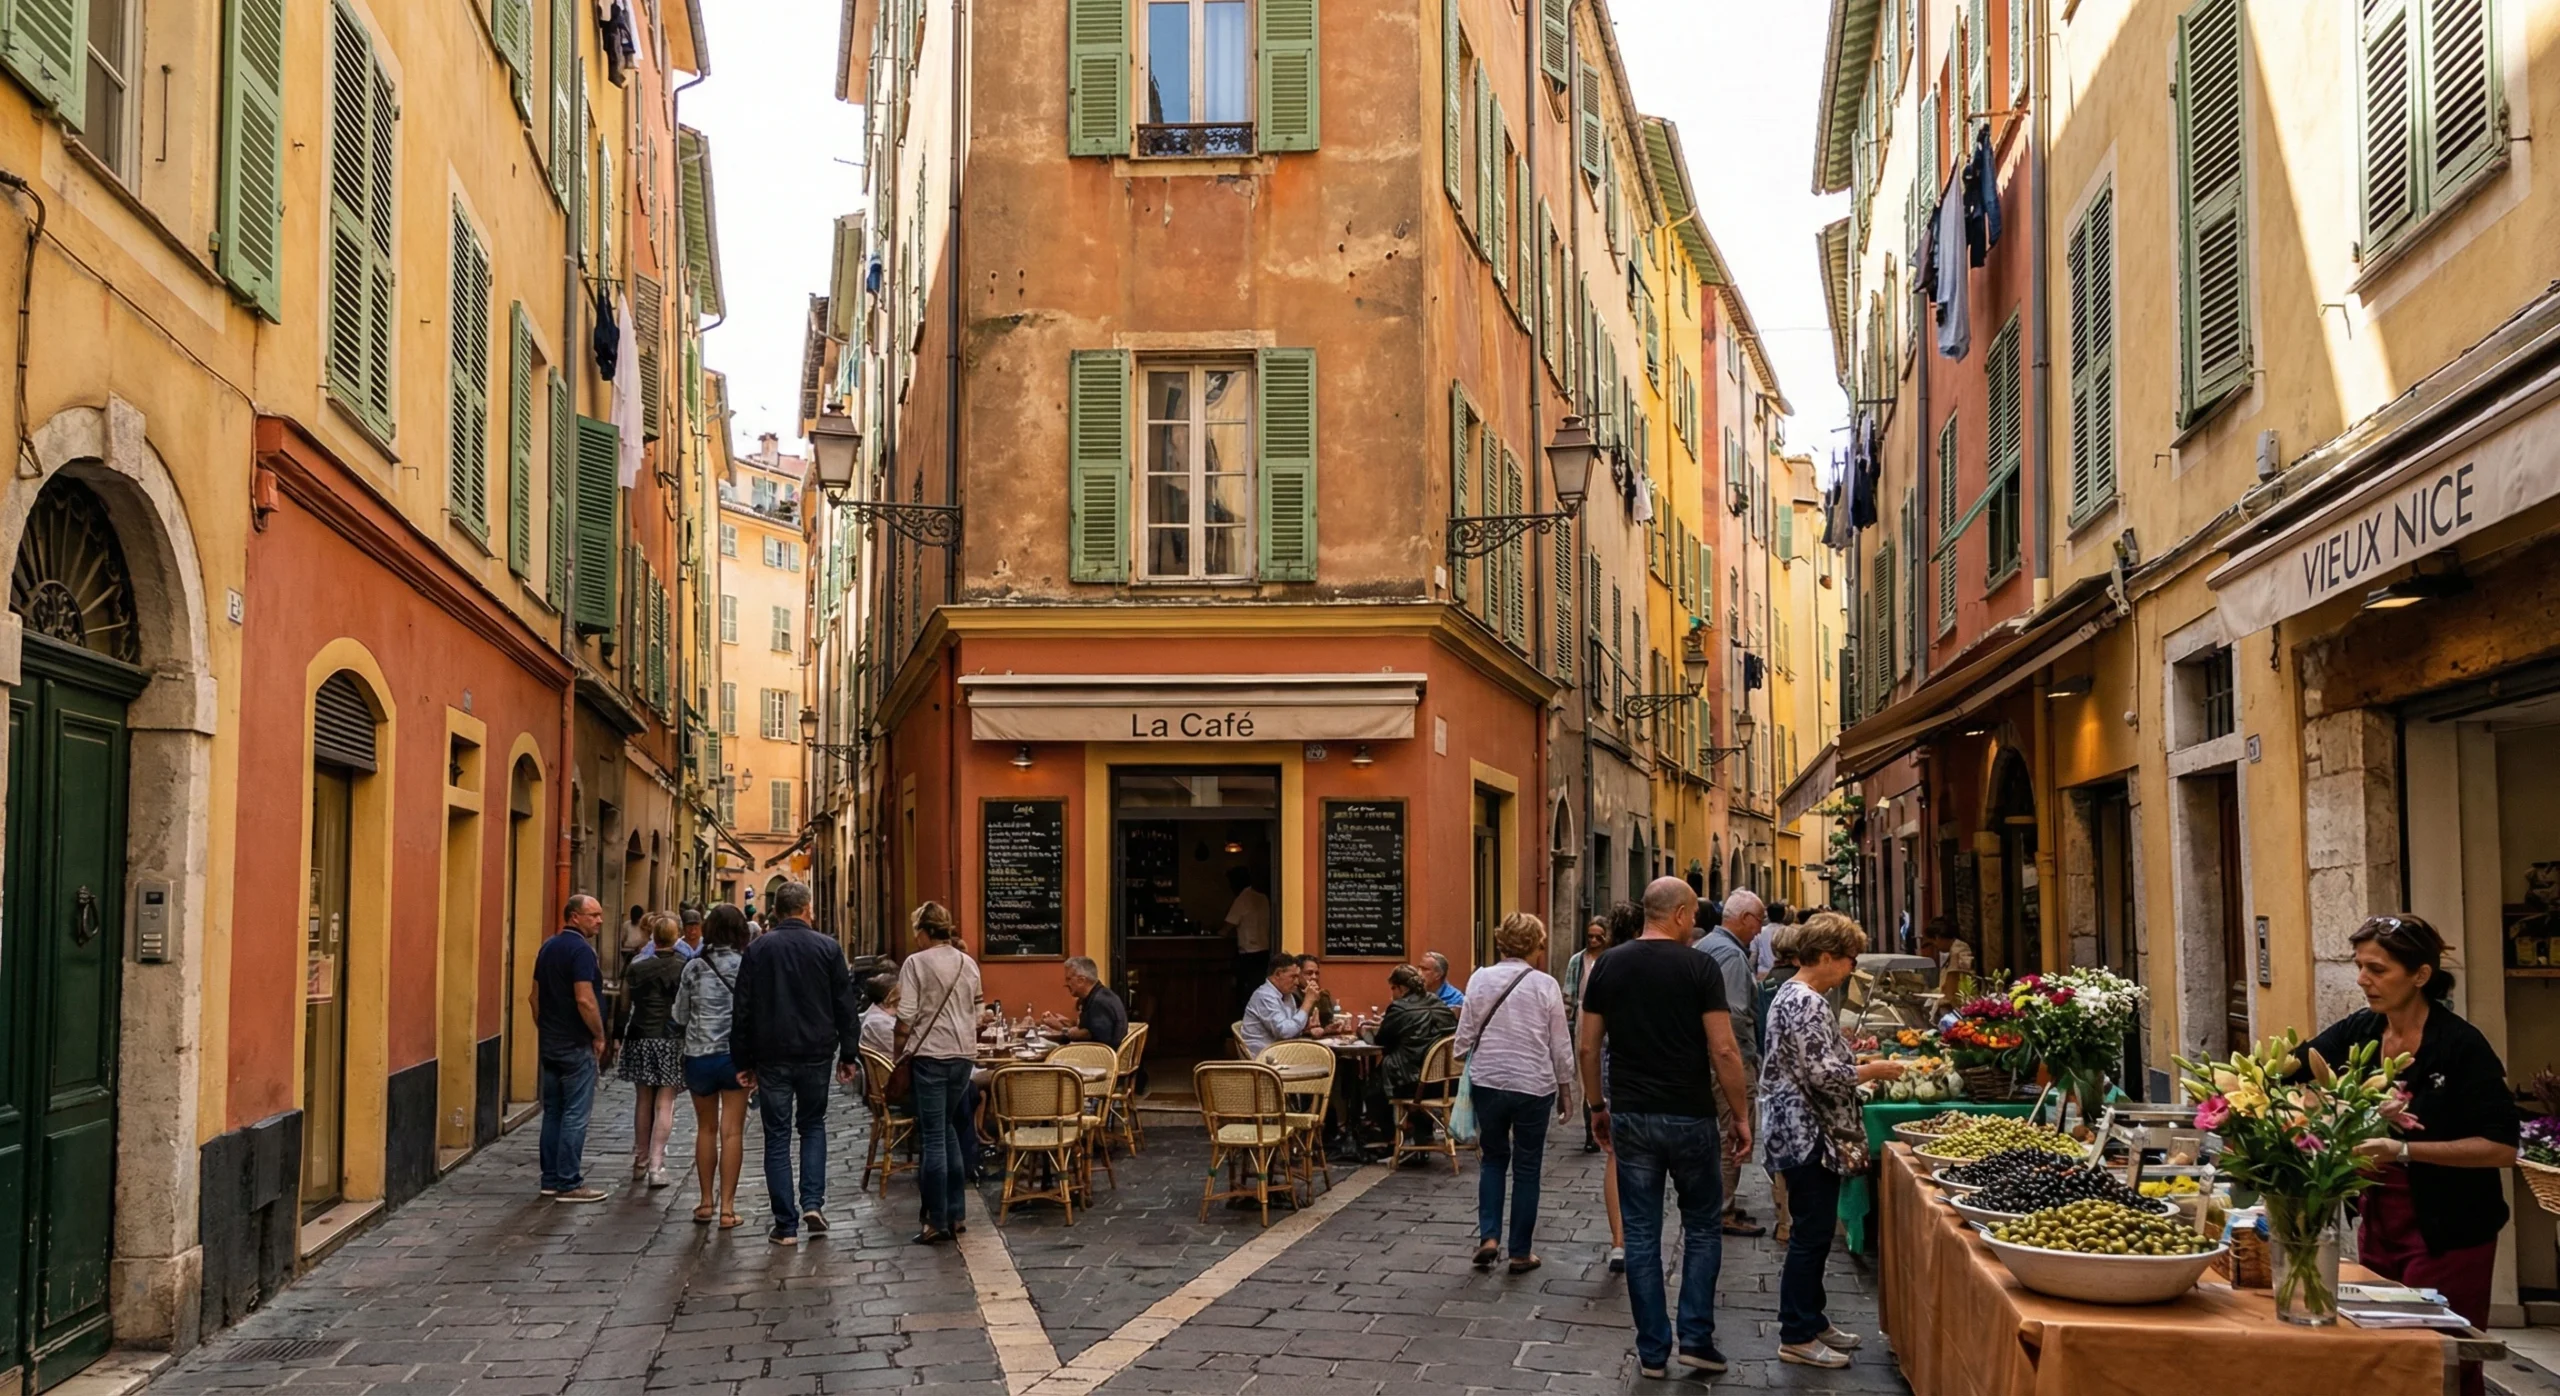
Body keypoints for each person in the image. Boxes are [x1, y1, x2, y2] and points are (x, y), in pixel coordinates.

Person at [2299, 914, 2518, 1336]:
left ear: (2421, 975)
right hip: (2380, 1222)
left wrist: (2402, 1150)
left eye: (2377, 970)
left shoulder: (2460, 1046)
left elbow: (2502, 1148)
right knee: (2383, 1352)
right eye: (2359, 966)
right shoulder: (2361, 1030)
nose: (2363, 980)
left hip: (2448, 1229)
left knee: (2439, 1356)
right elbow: (2294, 1067)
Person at [1577, 877, 1755, 1380]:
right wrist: (1740, 1115)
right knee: (1701, 1227)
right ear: (1678, 914)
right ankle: (1696, 1340)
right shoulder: (1699, 965)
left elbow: (1589, 1047)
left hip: (1632, 1113)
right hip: (1691, 1113)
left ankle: (1653, 1351)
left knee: (1640, 1233)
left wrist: (1597, 1106)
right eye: (1692, 914)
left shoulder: (1609, 963)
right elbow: (1723, 1049)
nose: (1694, 923)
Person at [1761, 912, 1909, 1369]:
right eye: (1848, 959)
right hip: (1807, 1133)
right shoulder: (1806, 1001)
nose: (1851, 967)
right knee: (1811, 1233)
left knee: (1817, 1231)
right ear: (1825, 956)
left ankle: (1813, 1317)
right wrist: (1872, 1070)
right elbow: (1821, 1074)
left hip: (1798, 1129)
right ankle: (1797, 1333)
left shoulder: (1794, 994)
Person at [730, 882, 861, 1246]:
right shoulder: (828, 948)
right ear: (806, 909)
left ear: (776, 911)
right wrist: (848, 1054)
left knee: (776, 1136)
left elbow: (742, 1009)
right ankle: (813, 1203)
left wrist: (741, 1059)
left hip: (771, 1054)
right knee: (813, 1125)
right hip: (816, 1052)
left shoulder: (757, 950)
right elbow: (845, 1006)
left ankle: (785, 1225)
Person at [1454, 913, 1575, 1275]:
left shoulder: (1479, 979)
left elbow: (1463, 1039)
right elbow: (1559, 1043)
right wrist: (1567, 1090)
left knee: (1492, 1159)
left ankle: (1489, 1237)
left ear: (1502, 941)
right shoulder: (1545, 985)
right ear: (1535, 946)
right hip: (1533, 1084)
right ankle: (1520, 1252)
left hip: (1489, 1079)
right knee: (1527, 1167)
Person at [897, 900, 982, 1245]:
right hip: (964, 1056)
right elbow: (979, 1010)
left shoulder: (916, 963)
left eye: (916, 929)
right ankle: (957, 1212)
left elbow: (905, 1015)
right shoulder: (968, 962)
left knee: (933, 1136)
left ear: (925, 931)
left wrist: (899, 1052)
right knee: (947, 1129)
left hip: (931, 1055)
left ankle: (935, 1220)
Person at [674, 904, 751, 1227]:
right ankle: (728, 1210)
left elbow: (679, 1016)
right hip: (735, 1058)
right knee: (731, 1132)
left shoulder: (694, 967)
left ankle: (706, 1202)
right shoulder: (747, 965)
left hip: (699, 1056)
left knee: (705, 1129)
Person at [1698, 889, 1768, 1237]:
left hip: (1709, 1058)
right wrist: (1741, 1064)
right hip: (1729, 1060)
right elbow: (1734, 1016)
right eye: (1759, 921)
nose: (1760, 930)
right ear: (1744, 919)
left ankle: (1718, 1201)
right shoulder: (1730, 955)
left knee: (1720, 1135)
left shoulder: (1709, 945)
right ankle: (1722, 1210)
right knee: (1733, 1134)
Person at [531, 894, 610, 1203]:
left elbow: (533, 998)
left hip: (551, 1043)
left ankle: (549, 1179)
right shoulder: (581, 951)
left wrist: (546, 1028)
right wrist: (599, 1034)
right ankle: (569, 1182)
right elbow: (584, 998)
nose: (599, 920)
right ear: (574, 917)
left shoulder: (548, 947)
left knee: (553, 1113)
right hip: (575, 1044)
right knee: (575, 1114)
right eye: (593, 915)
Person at [616, 912, 688, 1188]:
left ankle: (641, 1160)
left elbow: (624, 1005)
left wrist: (616, 1035)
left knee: (643, 1099)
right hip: (671, 1038)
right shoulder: (684, 966)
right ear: (676, 936)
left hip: (640, 1034)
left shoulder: (636, 965)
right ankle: (657, 1166)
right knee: (665, 1103)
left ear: (652, 937)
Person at [1373, 964, 1459, 1147]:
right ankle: (1422, 1134)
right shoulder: (1439, 1003)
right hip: (1445, 1084)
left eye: (1393, 988)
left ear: (1401, 988)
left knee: (1373, 1091)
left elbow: (1381, 1040)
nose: (1392, 993)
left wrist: (1362, 1030)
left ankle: (1394, 1140)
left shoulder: (1399, 1008)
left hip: (1410, 1083)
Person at [1563, 919, 1610, 1153]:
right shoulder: (1577, 961)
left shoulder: (1612, 959)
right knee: (1585, 1073)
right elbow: (1569, 995)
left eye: (1597, 936)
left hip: (1610, 1016)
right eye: (1589, 935)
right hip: (1584, 1017)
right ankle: (1590, 1134)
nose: (1592, 940)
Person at [1240, 951, 1317, 1057]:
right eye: (1293, 977)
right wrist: (1307, 1003)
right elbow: (1285, 1033)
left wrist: (1305, 1028)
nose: (1297, 982)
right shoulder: (1264, 996)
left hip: (1282, 1052)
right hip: (1264, 1059)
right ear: (1277, 974)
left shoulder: (1287, 994)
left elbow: (1291, 1028)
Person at [1040, 957, 1128, 1048]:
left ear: (1081, 980)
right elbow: (1091, 1029)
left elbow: (1094, 1037)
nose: (1066, 984)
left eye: (1069, 979)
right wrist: (1070, 1024)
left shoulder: (1099, 1002)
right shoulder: (1100, 995)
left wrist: (1061, 1028)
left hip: (1098, 1058)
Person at [1223, 867, 1273, 1010]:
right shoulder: (1263, 897)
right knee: (1258, 993)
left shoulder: (1243, 898)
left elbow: (1226, 928)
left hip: (1249, 955)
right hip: (1265, 952)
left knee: (1246, 996)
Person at [1293, 954, 1358, 1039]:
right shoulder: (1291, 995)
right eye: (1309, 973)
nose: (1314, 977)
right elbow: (1291, 1028)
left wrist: (1329, 1029)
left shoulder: (1324, 996)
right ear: (1298, 974)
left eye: (1316, 973)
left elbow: (1329, 1022)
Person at [859, 973, 900, 1057]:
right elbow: (903, 1049)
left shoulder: (884, 1015)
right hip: (895, 1067)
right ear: (890, 998)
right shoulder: (877, 1022)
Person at [1752, 901, 1793, 979]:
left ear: (1768, 915)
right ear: (1784, 915)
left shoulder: (1760, 932)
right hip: (1783, 973)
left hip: (1763, 972)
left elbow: (1753, 955)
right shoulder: (1788, 932)